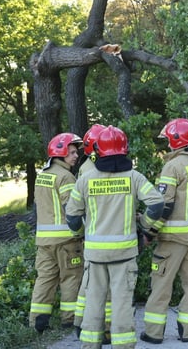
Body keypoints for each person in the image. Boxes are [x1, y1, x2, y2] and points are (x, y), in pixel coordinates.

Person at [66, 126, 165, 349]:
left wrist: (81, 234)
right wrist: (145, 225)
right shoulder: (134, 178)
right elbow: (157, 204)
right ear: (125, 149)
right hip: (125, 253)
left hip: (95, 254)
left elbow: (72, 217)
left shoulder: (85, 179)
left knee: (94, 301)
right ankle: (123, 345)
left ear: (98, 151)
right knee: (121, 302)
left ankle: (91, 344)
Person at [141, 118, 188, 344]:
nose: (167, 146)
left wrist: (148, 232)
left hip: (173, 239)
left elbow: (164, 205)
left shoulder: (173, 166)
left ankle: (154, 333)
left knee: (161, 284)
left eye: (168, 141)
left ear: (176, 140)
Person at [29, 132, 85, 333]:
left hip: (44, 241)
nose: (75, 156)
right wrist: (81, 232)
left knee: (45, 279)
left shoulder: (42, 175)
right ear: (59, 154)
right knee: (70, 278)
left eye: (75, 152)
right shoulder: (66, 177)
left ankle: (37, 322)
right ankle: (68, 320)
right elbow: (72, 210)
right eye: (71, 153)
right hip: (67, 241)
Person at [72, 123, 111, 338]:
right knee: (103, 286)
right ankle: (102, 328)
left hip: (92, 231)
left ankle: (80, 322)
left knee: (88, 281)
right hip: (102, 232)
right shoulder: (97, 169)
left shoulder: (85, 167)